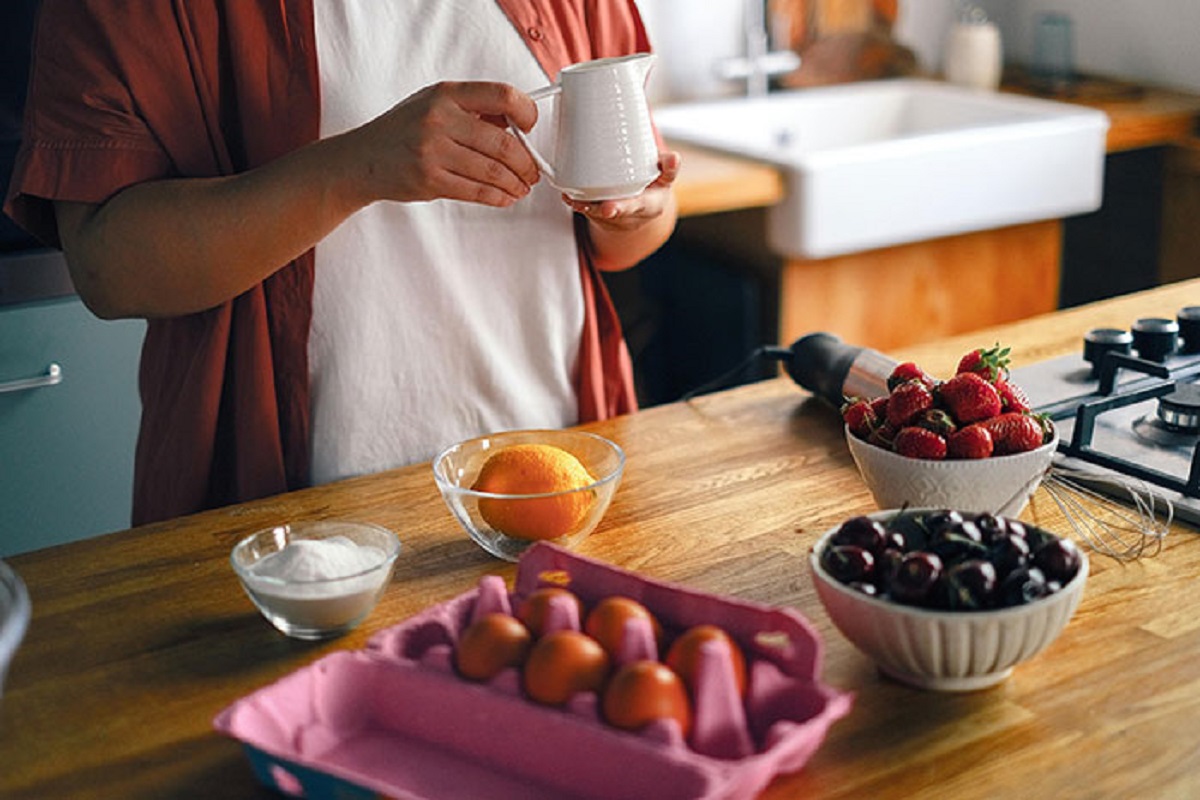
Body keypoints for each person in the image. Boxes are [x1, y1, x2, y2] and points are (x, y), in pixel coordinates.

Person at [3, 0, 679, 525]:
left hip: (557, 479)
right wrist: (355, 169)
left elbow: (634, 228)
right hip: (298, 525)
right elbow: (106, 267)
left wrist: (640, 211)